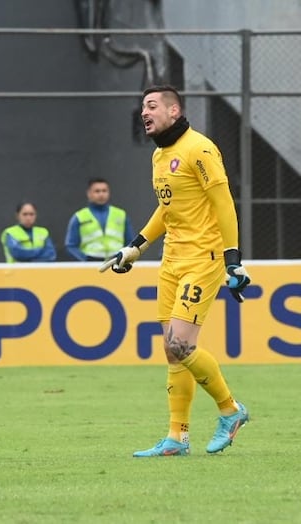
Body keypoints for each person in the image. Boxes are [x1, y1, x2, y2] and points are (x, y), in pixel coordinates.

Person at [99, 85, 251, 457]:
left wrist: (234, 259)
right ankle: (177, 437)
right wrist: (135, 247)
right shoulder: (160, 155)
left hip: (204, 257)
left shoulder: (199, 148)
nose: (144, 113)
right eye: (142, 107)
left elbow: (224, 203)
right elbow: (167, 210)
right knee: (172, 352)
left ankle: (231, 411)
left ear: (173, 110)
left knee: (180, 344)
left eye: (152, 106)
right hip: (172, 260)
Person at [64, 177, 135, 261]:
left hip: (116, 263)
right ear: (89, 193)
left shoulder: (121, 215)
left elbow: (130, 242)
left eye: (104, 191)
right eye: (97, 191)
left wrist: (123, 257)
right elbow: (70, 246)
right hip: (90, 264)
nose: (101, 194)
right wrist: (84, 260)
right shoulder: (79, 217)